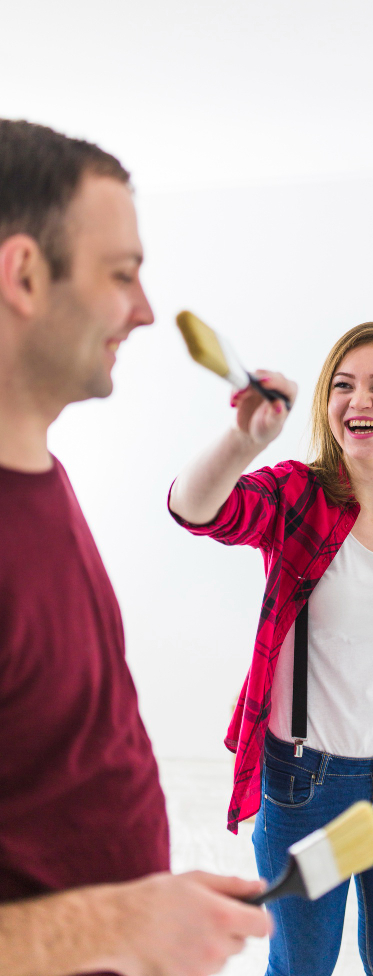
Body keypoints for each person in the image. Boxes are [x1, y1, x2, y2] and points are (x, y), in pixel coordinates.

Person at [0, 119, 270, 976]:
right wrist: (111, 928)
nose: (148, 312)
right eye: (123, 276)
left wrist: (146, 906)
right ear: (24, 274)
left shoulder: (40, 471)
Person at [169, 321, 373, 976]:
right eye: (343, 386)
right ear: (326, 404)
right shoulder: (297, 497)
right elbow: (195, 509)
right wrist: (244, 438)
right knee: (302, 968)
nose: (359, 400)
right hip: (306, 787)